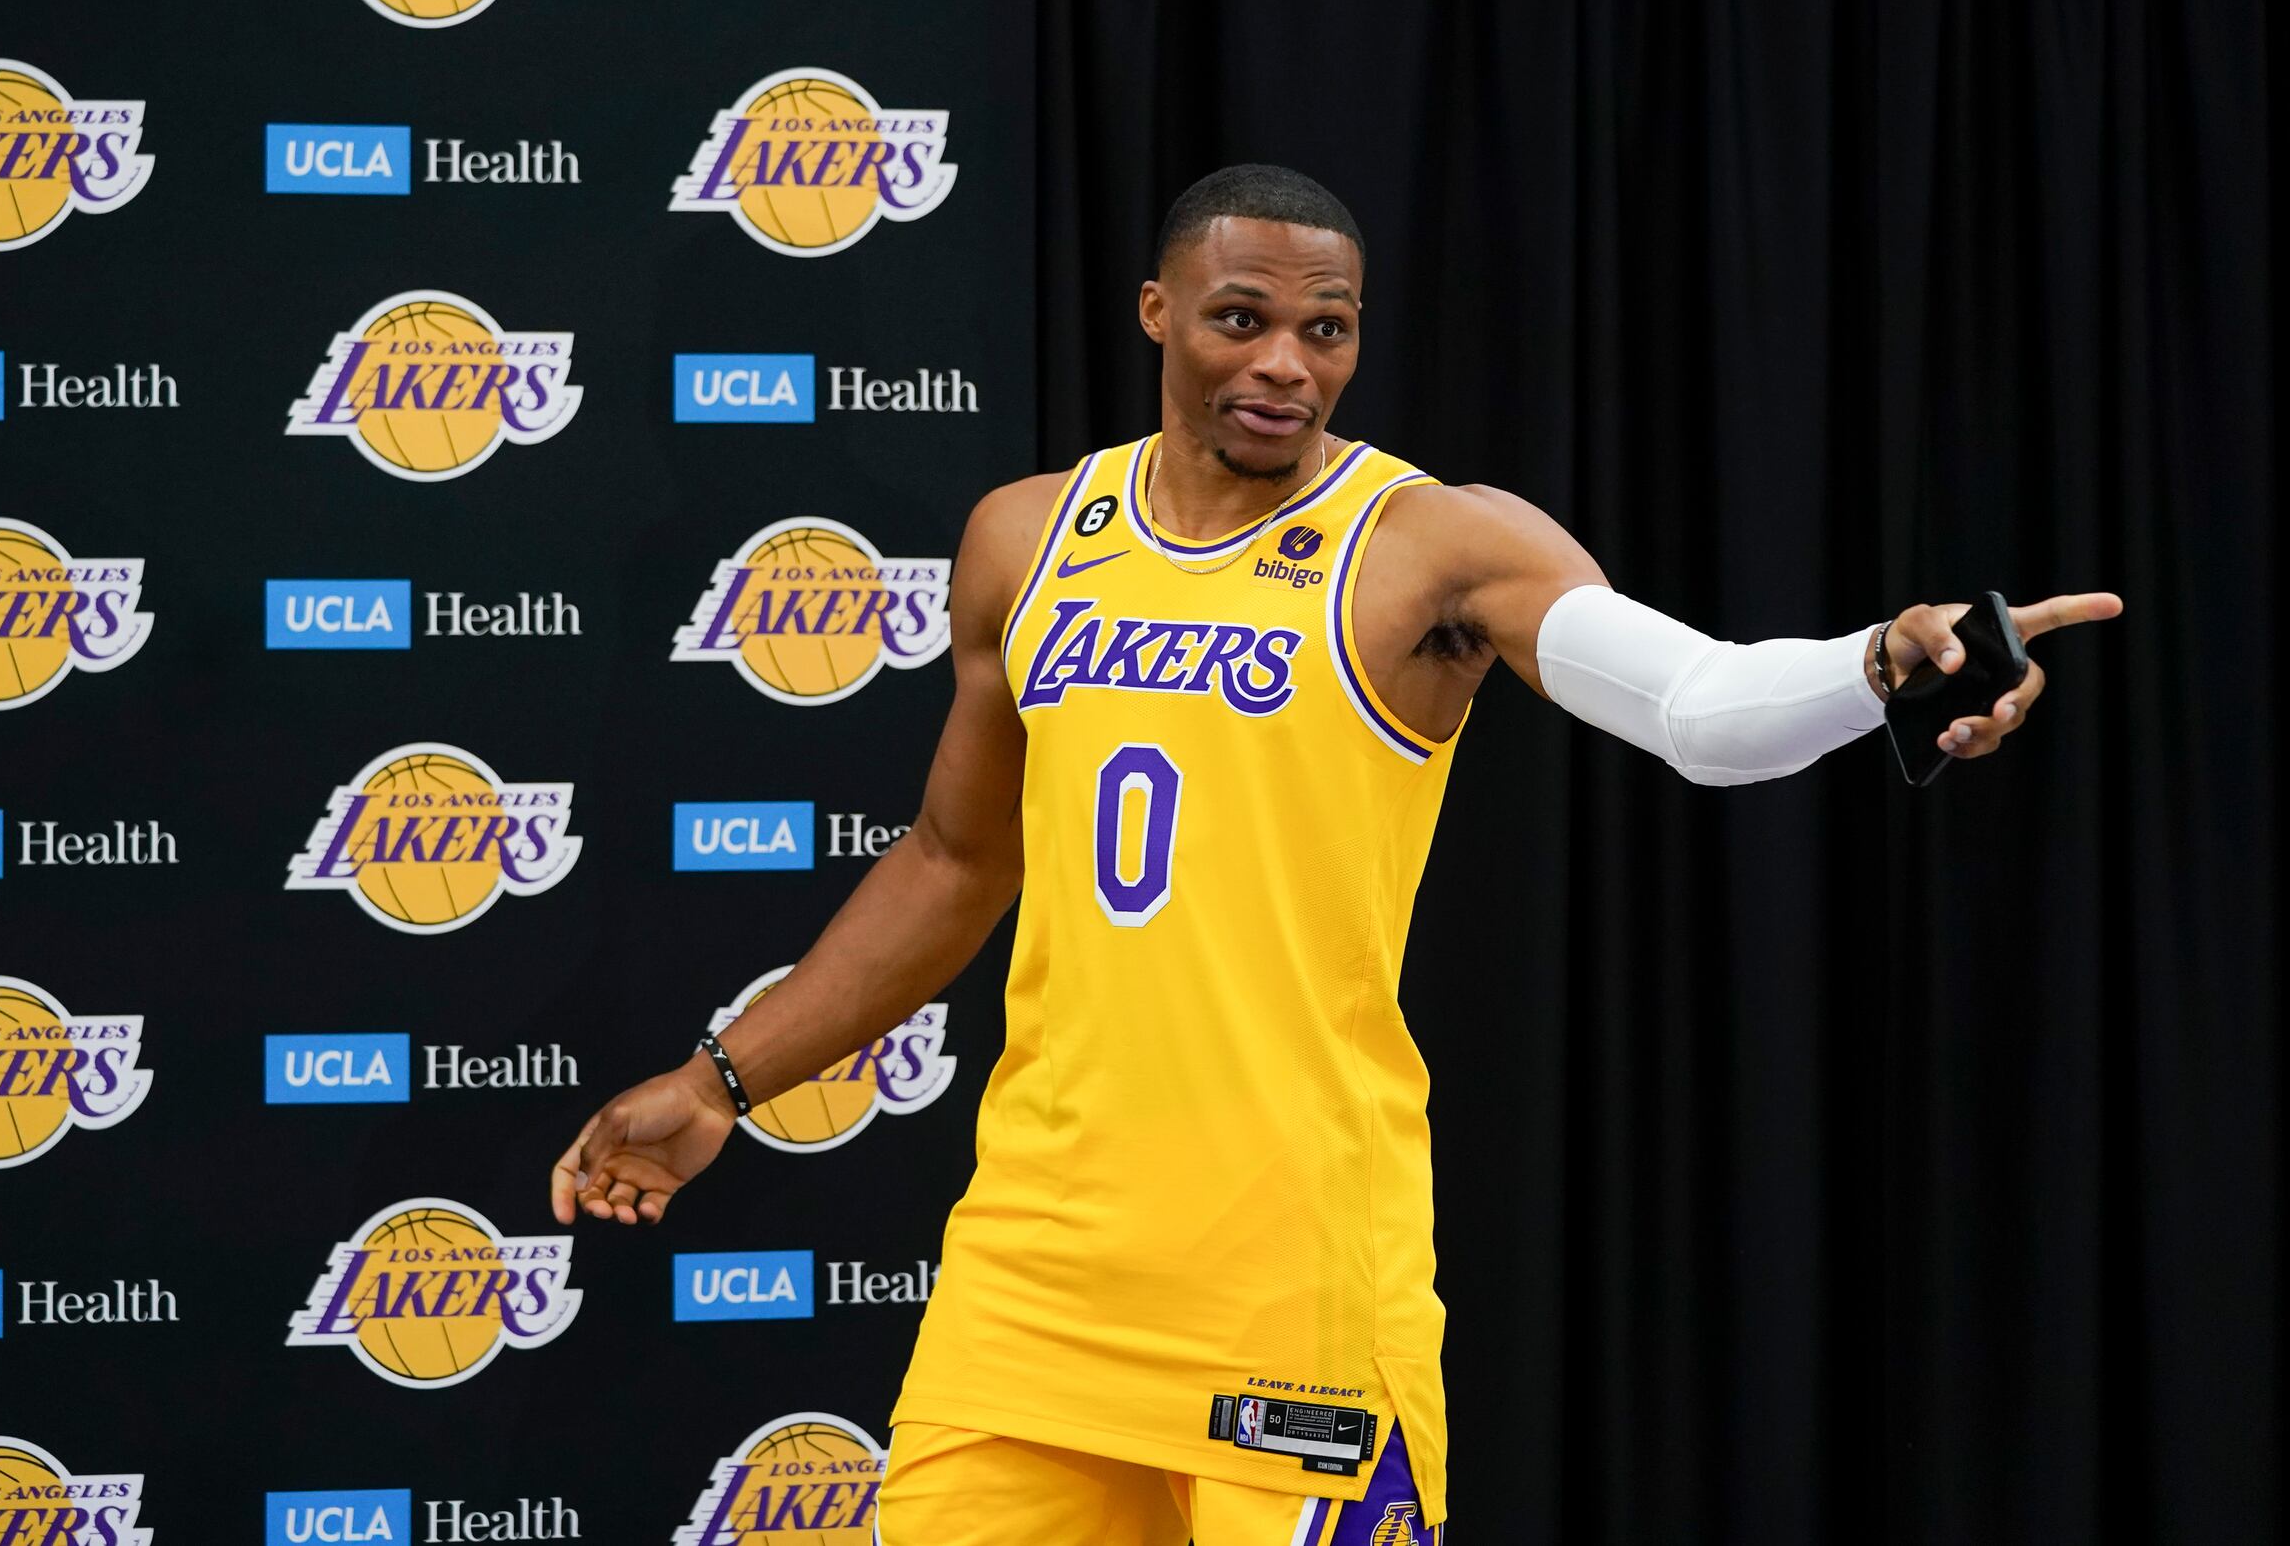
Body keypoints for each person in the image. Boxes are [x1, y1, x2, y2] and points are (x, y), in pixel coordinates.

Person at [549, 165, 2121, 1545]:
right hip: (1036, 1276)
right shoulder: (1026, 535)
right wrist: (718, 1082)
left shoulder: (1433, 545)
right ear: (1157, 311)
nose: (1287, 365)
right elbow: (958, 860)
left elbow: (1700, 708)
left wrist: (1881, 661)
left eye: (1330, 328)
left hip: (1293, 1281)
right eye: (1242, 318)